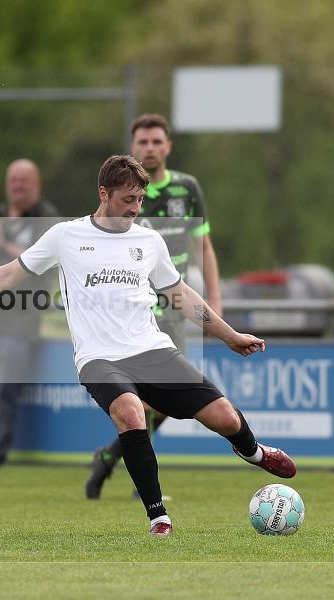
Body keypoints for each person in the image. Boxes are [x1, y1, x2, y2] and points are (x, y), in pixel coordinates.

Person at [0, 155, 296, 537]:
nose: (135, 208)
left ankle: (254, 452)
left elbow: (181, 294)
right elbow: (9, 272)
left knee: (226, 419)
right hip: (98, 359)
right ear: (104, 193)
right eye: (127, 199)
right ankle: (158, 517)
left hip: (152, 350)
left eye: (139, 200)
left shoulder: (149, 241)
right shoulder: (66, 236)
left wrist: (230, 335)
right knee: (132, 414)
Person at [85, 113, 223, 500]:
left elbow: (203, 246)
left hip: (176, 302)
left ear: (168, 146)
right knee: (147, 397)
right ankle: (131, 473)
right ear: (134, 148)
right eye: (142, 142)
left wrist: (214, 298)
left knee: (163, 397)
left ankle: (112, 458)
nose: (149, 148)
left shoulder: (186, 188)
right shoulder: (123, 191)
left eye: (156, 142)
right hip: (135, 304)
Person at [0, 159, 59, 468]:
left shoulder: (46, 219)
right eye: (14, 181)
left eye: (25, 181)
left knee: (5, 388)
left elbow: (39, 261)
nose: (18, 186)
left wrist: (2, 244)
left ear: (37, 185)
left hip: (21, 319)